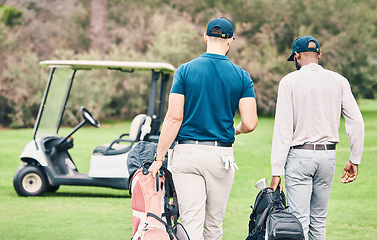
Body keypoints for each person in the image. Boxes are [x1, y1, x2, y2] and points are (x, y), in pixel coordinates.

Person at [148, 17, 258, 240]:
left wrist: (159, 158)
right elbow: (250, 123)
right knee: (214, 225)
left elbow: (174, 118)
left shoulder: (185, 70)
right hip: (221, 156)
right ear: (230, 42)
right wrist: (236, 130)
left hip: (187, 155)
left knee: (191, 223)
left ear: (206, 37)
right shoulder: (242, 76)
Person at [269, 35, 365, 240]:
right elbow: (356, 122)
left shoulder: (289, 81)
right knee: (319, 221)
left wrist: (276, 169)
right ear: (319, 55)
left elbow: (283, 129)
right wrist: (354, 158)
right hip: (327, 157)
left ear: (297, 56)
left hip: (299, 157)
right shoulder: (339, 81)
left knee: (299, 221)